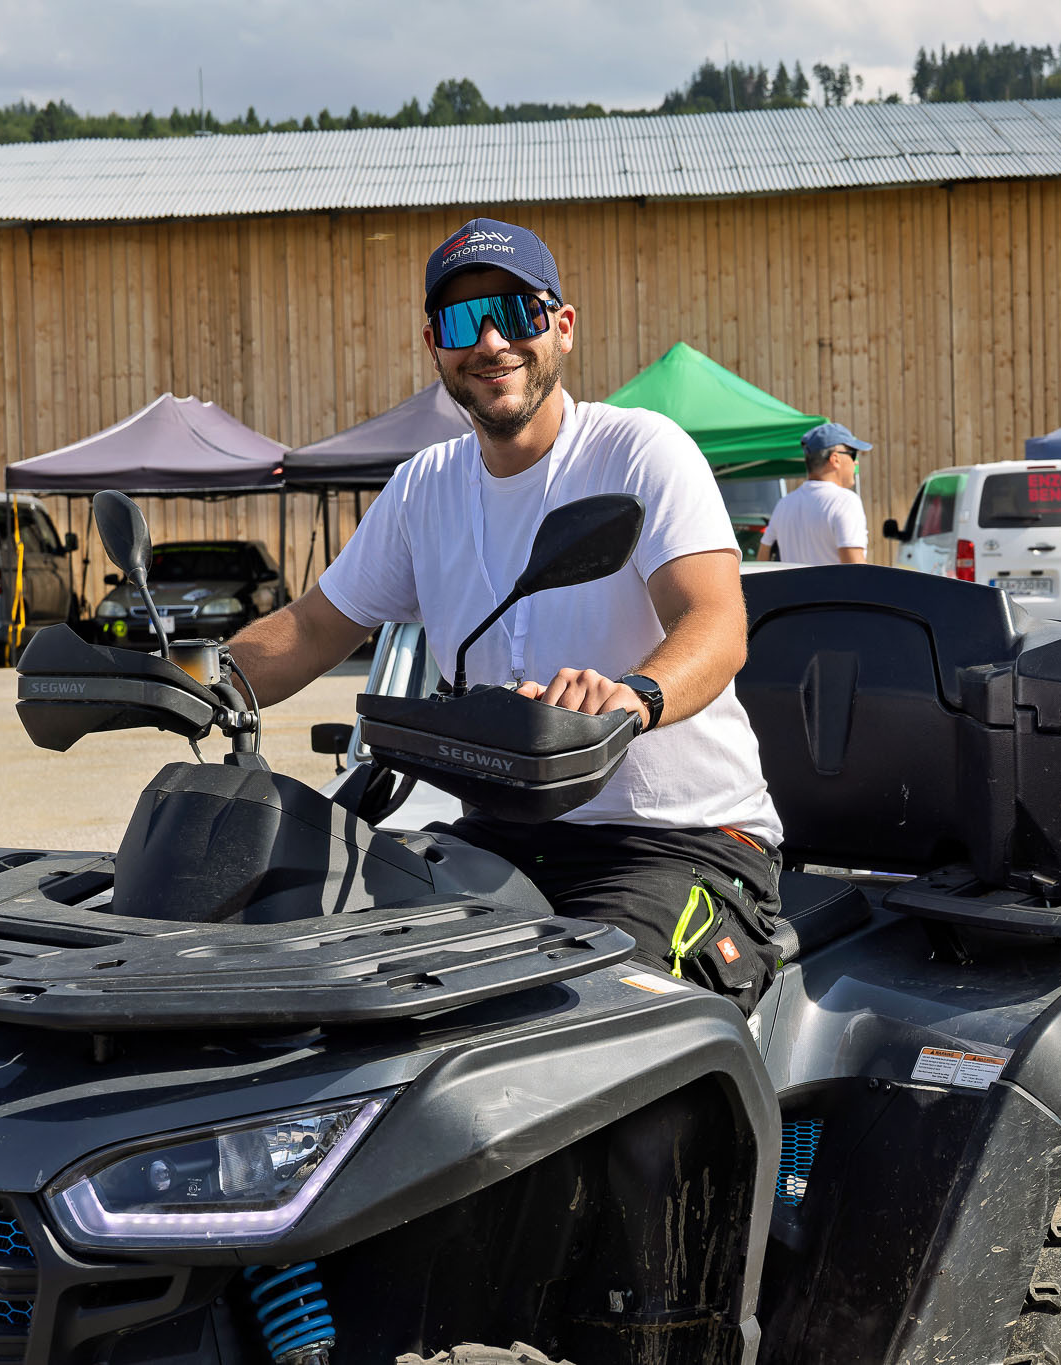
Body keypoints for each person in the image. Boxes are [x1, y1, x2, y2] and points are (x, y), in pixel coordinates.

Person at [228, 217, 783, 1006]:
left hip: (680, 842)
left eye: (517, 313)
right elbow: (316, 627)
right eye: (462, 322)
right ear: (434, 346)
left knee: (581, 1017)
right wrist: (198, 684)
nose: (490, 342)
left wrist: (632, 697)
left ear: (563, 326)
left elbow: (716, 622)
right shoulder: (425, 487)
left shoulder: (637, 451)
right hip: (506, 838)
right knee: (329, 958)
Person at [759, 423, 872, 565]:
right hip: (833, 582)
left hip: (793, 581)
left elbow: (762, 558)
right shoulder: (845, 501)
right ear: (835, 459)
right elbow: (856, 570)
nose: (856, 462)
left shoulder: (783, 504)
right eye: (853, 454)